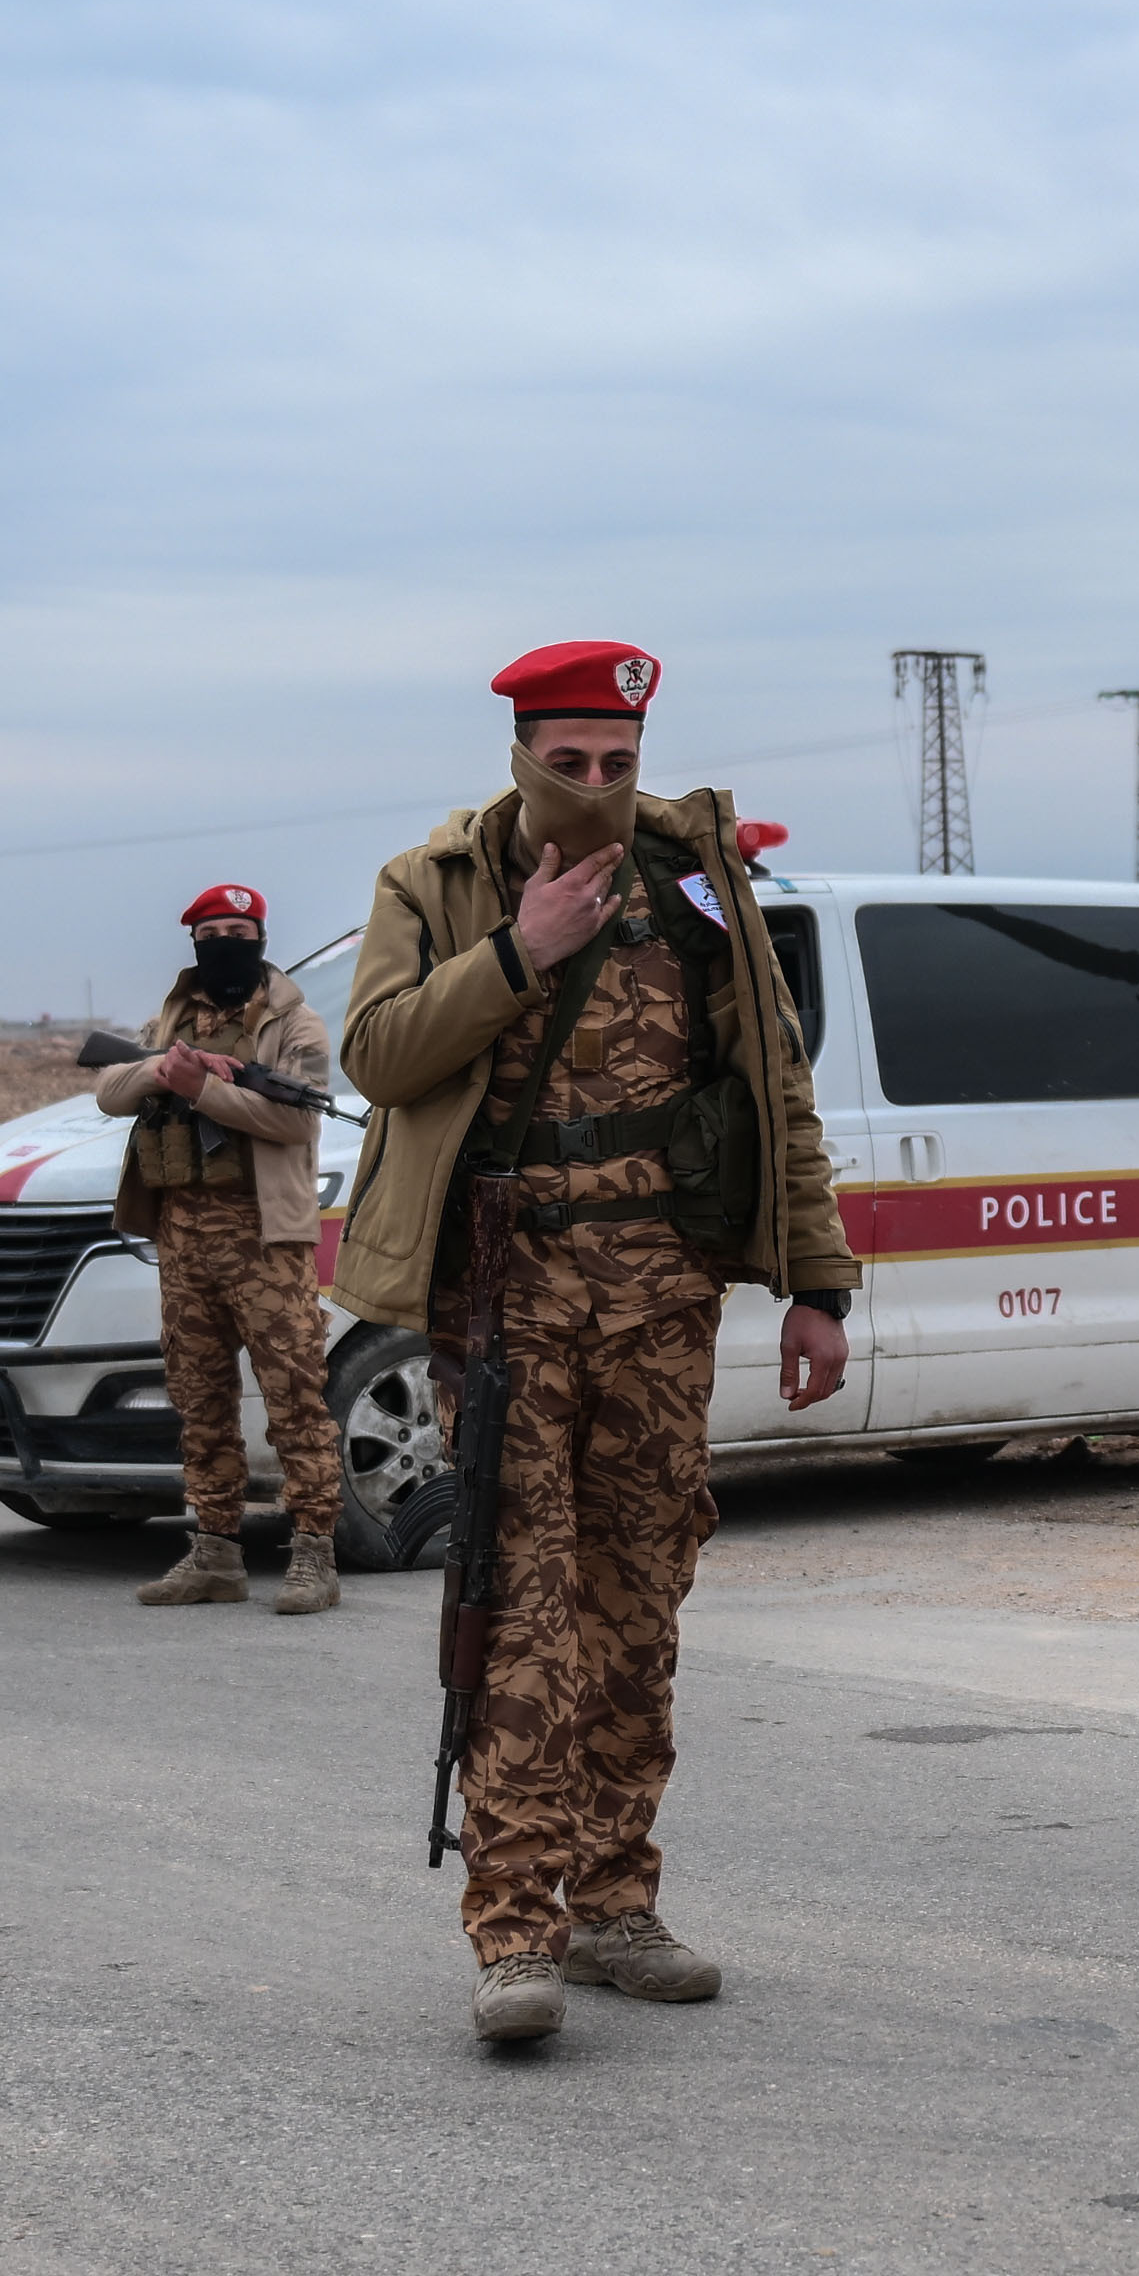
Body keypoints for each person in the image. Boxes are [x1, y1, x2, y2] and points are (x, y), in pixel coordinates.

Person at [332, 642, 858, 2049]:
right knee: (518, 1602)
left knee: (640, 1599)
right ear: (519, 758)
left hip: (662, 1286)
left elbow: (776, 1083)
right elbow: (377, 1055)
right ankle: (517, 1928)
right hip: (505, 1288)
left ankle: (618, 1901)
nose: (596, 789)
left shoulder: (696, 879)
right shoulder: (435, 885)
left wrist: (821, 1282)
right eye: (567, 764)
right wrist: (522, 952)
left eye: (618, 764)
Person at [91, 883, 348, 1614]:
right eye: (214, 931)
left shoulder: (296, 1025)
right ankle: (214, 1552)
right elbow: (111, 1088)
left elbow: (295, 1123)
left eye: (241, 929)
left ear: (260, 937)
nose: (228, 941)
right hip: (184, 1237)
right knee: (199, 1398)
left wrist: (200, 1088)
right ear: (196, 943)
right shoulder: (170, 1018)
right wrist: (164, 1071)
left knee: (296, 1396)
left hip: (264, 1238)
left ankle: (313, 1554)